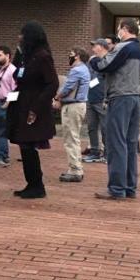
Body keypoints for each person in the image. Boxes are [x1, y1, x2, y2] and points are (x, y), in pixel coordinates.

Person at [89, 18, 140, 200]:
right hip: (135, 98)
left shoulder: (124, 48)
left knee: (116, 143)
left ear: (125, 29)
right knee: (129, 143)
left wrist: (95, 57)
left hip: (120, 98)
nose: (118, 32)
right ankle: (129, 187)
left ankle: (116, 188)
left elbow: (104, 66)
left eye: (120, 29)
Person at [7, 21, 58, 199]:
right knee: (24, 147)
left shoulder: (42, 56)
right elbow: (17, 74)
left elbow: (52, 84)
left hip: (33, 108)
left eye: (23, 34)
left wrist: (37, 107)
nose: (19, 37)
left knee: (29, 147)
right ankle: (32, 183)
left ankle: (37, 185)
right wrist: (18, 56)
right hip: (22, 105)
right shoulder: (27, 56)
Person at [54, 47, 91, 183]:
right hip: (76, 105)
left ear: (78, 56)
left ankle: (75, 170)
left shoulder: (77, 70)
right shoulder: (83, 69)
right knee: (72, 137)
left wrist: (57, 98)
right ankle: (75, 168)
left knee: (71, 138)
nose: (69, 56)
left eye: (71, 54)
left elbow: (67, 87)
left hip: (73, 106)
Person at [82, 38, 108, 164]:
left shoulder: (107, 60)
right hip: (90, 98)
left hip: (101, 98)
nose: (93, 48)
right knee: (91, 127)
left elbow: (102, 78)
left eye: (95, 46)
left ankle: (107, 153)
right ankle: (94, 151)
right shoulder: (91, 61)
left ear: (102, 47)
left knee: (105, 128)